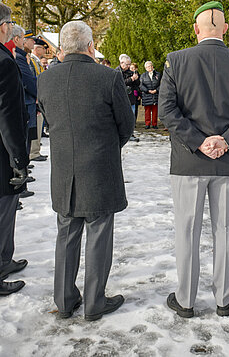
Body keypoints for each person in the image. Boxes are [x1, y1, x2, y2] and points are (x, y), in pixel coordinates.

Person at [158, 1, 229, 318]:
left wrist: (198, 142)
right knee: (227, 230)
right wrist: (225, 140)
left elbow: (167, 111)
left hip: (189, 162)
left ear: (196, 29)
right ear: (225, 29)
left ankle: (186, 300)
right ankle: (223, 299)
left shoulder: (176, 61)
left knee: (187, 231)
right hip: (228, 162)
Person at [37, 21, 135, 320]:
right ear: (90, 46)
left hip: (64, 167)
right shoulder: (108, 76)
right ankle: (94, 302)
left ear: (62, 48)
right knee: (99, 234)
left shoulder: (46, 79)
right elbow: (126, 124)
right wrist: (106, 148)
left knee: (66, 233)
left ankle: (66, 301)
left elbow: (51, 123)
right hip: (99, 167)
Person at [0, 3, 30, 296]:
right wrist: (19, 159)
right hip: (3, 152)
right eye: (9, 24)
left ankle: (5, 260)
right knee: (4, 211)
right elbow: (7, 115)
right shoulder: (4, 61)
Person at [11, 24, 37, 197]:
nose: (30, 42)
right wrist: (38, 93)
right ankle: (20, 178)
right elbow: (28, 80)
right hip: (25, 102)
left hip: (27, 103)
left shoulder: (23, 56)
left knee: (27, 141)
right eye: (24, 38)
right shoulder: (18, 57)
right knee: (23, 141)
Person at [116, 54, 140, 141]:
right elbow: (120, 83)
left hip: (131, 98)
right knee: (122, 117)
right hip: (121, 98)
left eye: (129, 64)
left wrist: (136, 79)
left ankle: (131, 133)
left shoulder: (131, 72)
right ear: (122, 63)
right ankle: (121, 134)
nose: (129, 66)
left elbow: (137, 84)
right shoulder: (116, 72)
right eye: (127, 64)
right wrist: (131, 79)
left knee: (132, 117)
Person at [140, 61, 161, 129]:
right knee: (147, 111)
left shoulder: (158, 74)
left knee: (155, 111)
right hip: (147, 95)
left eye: (150, 66)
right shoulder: (143, 76)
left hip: (156, 95)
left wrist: (156, 90)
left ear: (152, 66)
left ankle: (155, 124)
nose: (149, 68)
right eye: (147, 67)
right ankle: (147, 124)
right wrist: (147, 90)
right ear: (145, 68)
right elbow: (141, 85)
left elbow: (162, 84)